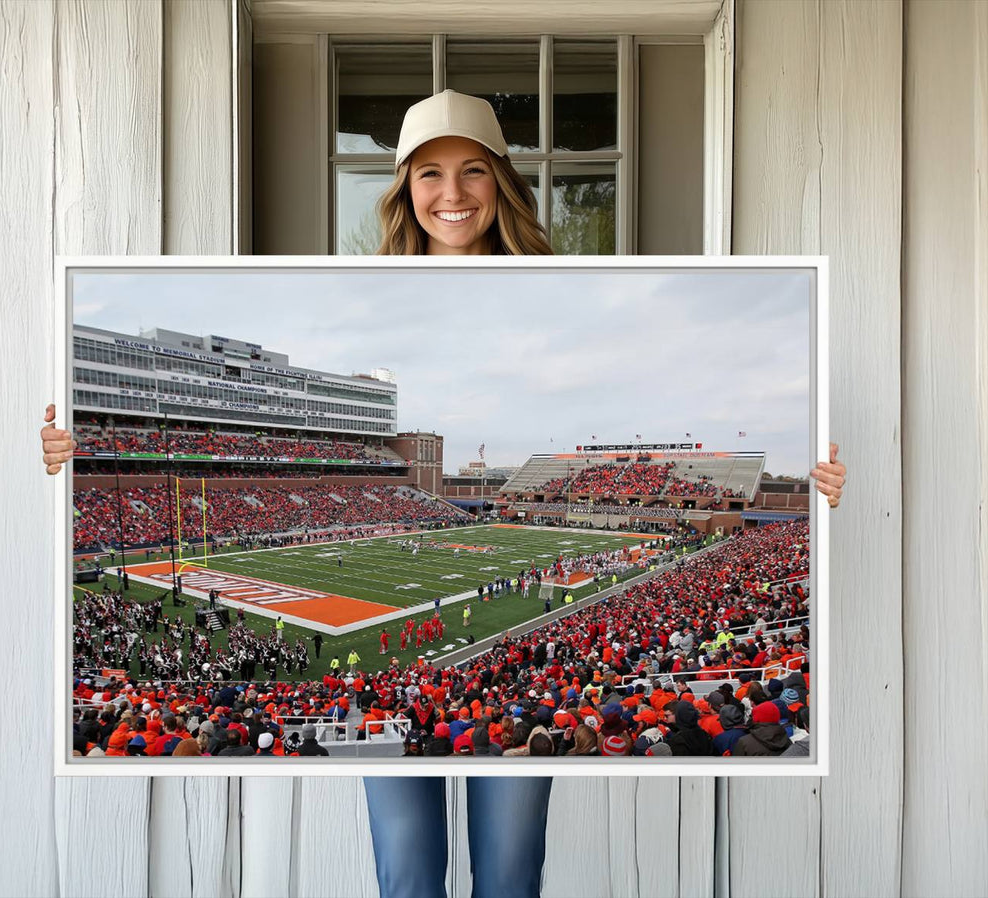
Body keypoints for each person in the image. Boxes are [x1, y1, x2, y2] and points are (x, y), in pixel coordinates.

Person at [41, 88, 847, 898]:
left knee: (507, 873)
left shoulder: (568, 281)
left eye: (472, 171)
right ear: (403, 189)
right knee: (408, 875)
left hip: (486, 721)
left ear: (502, 181)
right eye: (428, 173)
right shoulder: (365, 283)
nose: (451, 193)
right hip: (431, 715)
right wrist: (64, 457)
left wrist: (821, 484)